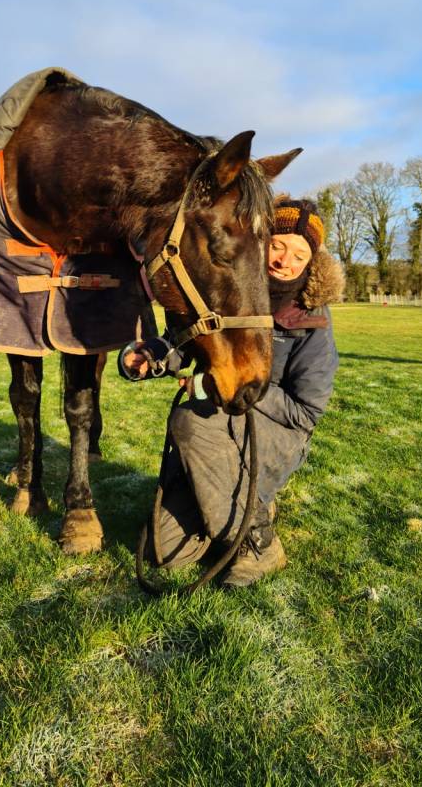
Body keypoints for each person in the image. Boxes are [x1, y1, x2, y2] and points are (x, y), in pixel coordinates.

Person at [119, 197, 342, 587]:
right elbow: (183, 343)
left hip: (278, 434)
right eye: (278, 245)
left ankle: (258, 544)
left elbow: (305, 413)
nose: (284, 261)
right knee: (163, 552)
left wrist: (220, 385)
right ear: (261, 243)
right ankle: (243, 501)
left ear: (311, 264)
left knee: (190, 421)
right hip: (219, 426)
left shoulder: (313, 320)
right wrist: (151, 356)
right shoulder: (226, 293)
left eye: (299, 255)